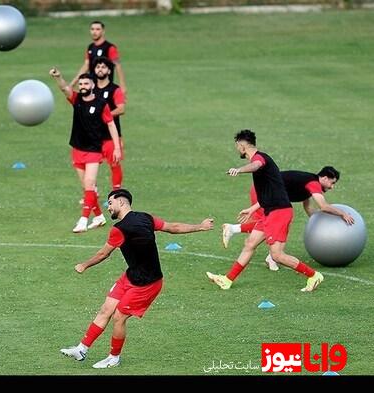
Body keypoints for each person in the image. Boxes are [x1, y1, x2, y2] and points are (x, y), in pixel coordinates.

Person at [60, 189, 214, 368]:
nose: (108, 207)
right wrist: (200, 226)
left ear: (122, 203)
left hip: (147, 284)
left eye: (110, 203)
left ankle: (114, 358)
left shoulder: (119, 229)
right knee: (106, 309)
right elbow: (173, 227)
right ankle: (81, 349)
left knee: (119, 317)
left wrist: (84, 265)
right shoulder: (146, 218)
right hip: (131, 276)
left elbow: (103, 254)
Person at [206, 130, 324, 292]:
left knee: (277, 255)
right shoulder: (263, 162)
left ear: (241, 146)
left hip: (279, 212)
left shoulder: (260, 158)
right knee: (250, 244)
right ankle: (227, 280)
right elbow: (269, 191)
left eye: (237, 147)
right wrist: (253, 208)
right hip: (270, 211)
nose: (237, 150)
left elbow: (256, 165)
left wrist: (239, 170)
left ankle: (313, 275)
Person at [222, 166, 355, 271]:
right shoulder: (313, 183)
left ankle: (271, 256)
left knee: (278, 223)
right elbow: (323, 206)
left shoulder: (308, 182)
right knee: (268, 224)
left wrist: (318, 225)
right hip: (262, 193)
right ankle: (234, 230)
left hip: (266, 194)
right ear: (325, 178)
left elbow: (308, 207)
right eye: (332, 183)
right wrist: (342, 214)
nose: (332, 187)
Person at [50, 67, 122, 233]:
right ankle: (98, 216)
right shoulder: (76, 100)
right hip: (77, 149)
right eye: (80, 83)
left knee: (90, 183)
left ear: (92, 85)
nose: (82, 86)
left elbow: (111, 124)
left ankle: (83, 220)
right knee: (87, 187)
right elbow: (64, 88)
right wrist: (59, 77)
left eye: (85, 83)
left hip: (94, 150)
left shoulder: (101, 104)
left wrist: (116, 147)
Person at [93, 56, 126, 191]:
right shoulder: (91, 88)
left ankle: (117, 193)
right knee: (91, 165)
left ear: (108, 70)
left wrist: (104, 116)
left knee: (114, 164)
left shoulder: (114, 89)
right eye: (98, 67)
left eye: (103, 67)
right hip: (94, 136)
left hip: (110, 136)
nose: (100, 69)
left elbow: (121, 108)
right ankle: (90, 194)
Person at [70, 21, 127, 95]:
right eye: (92, 29)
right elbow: (86, 66)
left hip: (105, 87)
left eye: (97, 29)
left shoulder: (109, 47)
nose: (94, 32)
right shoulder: (90, 47)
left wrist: (122, 86)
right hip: (92, 86)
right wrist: (73, 82)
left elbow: (118, 66)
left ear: (103, 31)